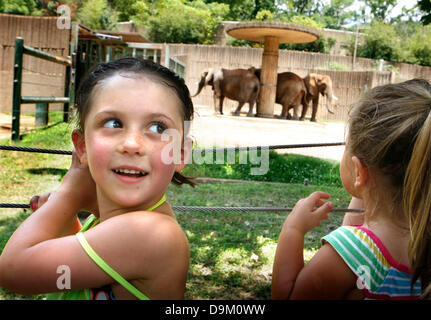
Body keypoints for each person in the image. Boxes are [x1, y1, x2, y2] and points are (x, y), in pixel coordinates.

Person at [0, 58, 195, 300]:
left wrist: (68, 195)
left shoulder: (152, 234)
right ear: (82, 147)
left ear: (181, 153)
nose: (132, 144)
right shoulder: (108, 221)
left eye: (157, 128)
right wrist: (65, 218)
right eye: (114, 123)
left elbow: (13, 270)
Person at [272, 78, 431, 300]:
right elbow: (362, 225)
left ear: (359, 171)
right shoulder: (423, 244)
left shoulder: (344, 257)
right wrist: (365, 188)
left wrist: (293, 230)